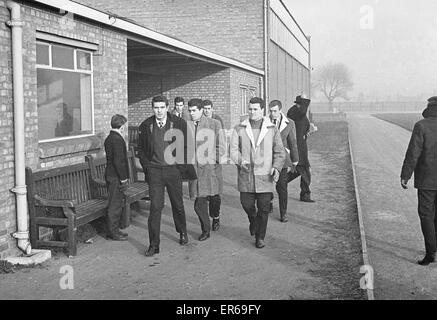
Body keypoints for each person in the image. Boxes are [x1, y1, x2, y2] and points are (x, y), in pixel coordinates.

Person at [138, 95, 196, 257]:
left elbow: (187, 146)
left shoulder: (178, 123)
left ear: (167, 107)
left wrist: (180, 167)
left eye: (162, 107)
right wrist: (147, 167)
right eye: (156, 108)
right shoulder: (146, 125)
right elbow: (141, 149)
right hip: (155, 171)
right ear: (152, 108)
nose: (159, 111)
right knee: (155, 207)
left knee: (177, 204)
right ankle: (153, 244)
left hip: (173, 170)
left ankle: (182, 231)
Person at [230, 97, 285, 248]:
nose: (252, 112)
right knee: (246, 204)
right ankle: (253, 220)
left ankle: (260, 237)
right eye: (250, 109)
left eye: (255, 109)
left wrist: (276, 167)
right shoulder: (239, 128)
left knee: (264, 208)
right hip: (246, 175)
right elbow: (233, 150)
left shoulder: (271, 129)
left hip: (265, 176)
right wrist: (241, 161)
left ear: (262, 110)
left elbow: (279, 152)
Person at [401, 96, 437, 266]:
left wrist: (405, 175)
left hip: (427, 180)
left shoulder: (421, 126)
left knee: (426, 215)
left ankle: (431, 253)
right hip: (429, 180)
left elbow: (413, 153)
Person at [187, 99, 226, 240]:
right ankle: (206, 229)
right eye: (189, 111)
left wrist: (210, 160)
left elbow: (221, 147)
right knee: (199, 203)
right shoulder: (187, 126)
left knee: (215, 199)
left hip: (211, 170)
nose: (191, 113)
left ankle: (215, 217)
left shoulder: (214, 124)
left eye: (194, 111)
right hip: (196, 172)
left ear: (201, 110)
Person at [269, 100, 299, 222]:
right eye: (270, 111)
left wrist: (295, 159)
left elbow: (293, 141)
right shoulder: (265, 122)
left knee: (282, 187)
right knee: (266, 186)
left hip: (283, 159)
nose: (272, 113)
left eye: (275, 111)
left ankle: (283, 213)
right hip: (267, 159)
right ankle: (268, 202)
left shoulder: (289, 123)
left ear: (280, 110)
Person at [286, 94, 317, 203]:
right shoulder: (295, 111)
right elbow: (303, 111)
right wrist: (304, 100)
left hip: (301, 146)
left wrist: (308, 131)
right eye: (303, 103)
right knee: (303, 170)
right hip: (296, 146)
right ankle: (304, 194)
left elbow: (302, 128)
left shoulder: (299, 113)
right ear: (300, 104)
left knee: (301, 170)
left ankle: (282, 182)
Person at [104, 114, 129, 241]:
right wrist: (124, 178)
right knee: (115, 204)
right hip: (116, 177)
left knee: (116, 203)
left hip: (111, 175)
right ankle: (113, 232)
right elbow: (119, 161)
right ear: (122, 126)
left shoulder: (110, 138)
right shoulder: (118, 139)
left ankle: (114, 230)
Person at [202, 99, 224, 230]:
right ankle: (205, 223)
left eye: (208, 108)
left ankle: (216, 218)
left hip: (214, 164)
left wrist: (214, 157)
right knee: (203, 196)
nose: (206, 111)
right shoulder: (198, 124)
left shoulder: (217, 122)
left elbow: (221, 144)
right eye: (204, 109)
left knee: (215, 194)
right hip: (201, 165)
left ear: (212, 109)